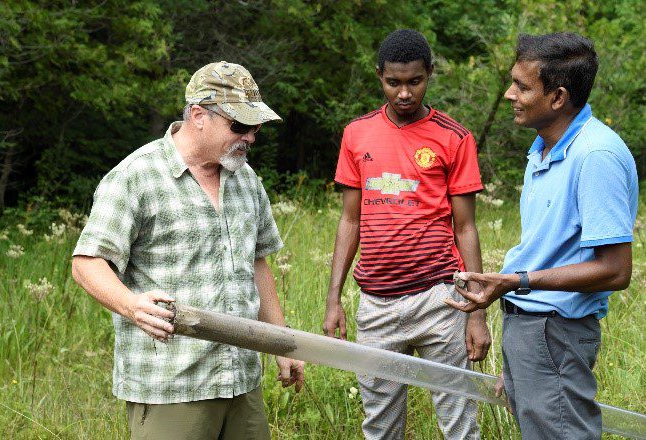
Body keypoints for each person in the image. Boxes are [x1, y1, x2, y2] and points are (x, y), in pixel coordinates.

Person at [72, 61, 304, 440]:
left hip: (242, 381)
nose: (251, 138)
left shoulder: (246, 178)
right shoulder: (137, 175)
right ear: (198, 115)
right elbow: (87, 263)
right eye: (239, 126)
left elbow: (256, 263)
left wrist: (280, 342)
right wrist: (132, 305)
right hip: (172, 385)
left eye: (256, 127)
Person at [446, 33, 638, 440]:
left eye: (522, 86)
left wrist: (517, 281)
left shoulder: (595, 155)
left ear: (558, 97)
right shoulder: (543, 148)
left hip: (556, 329)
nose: (509, 93)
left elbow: (616, 270)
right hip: (532, 328)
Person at [323, 29, 490, 440]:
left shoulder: (455, 137)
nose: (403, 93)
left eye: (414, 81)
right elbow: (350, 220)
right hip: (376, 306)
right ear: (379, 76)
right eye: (393, 82)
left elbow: (465, 227)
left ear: (430, 74)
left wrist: (478, 312)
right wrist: (333, 298)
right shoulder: (356, 134)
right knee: (379, 426)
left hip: (440, 299)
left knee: (459, 424)